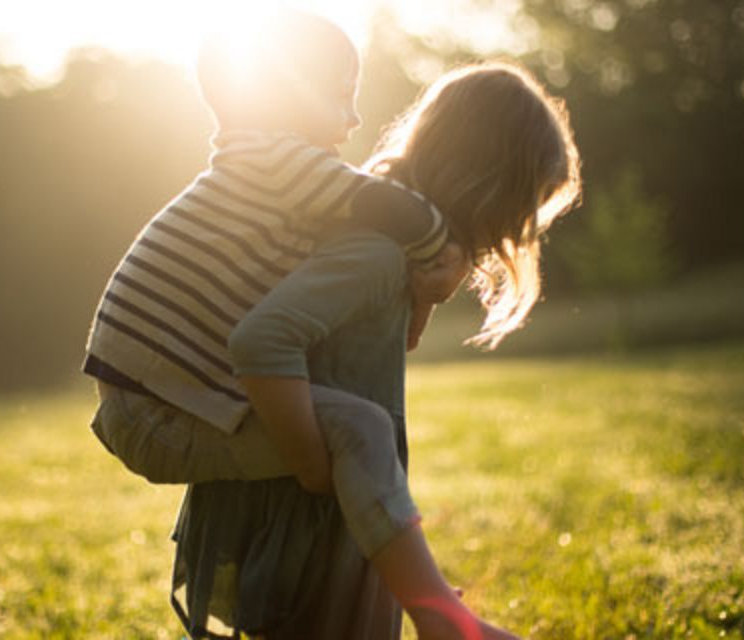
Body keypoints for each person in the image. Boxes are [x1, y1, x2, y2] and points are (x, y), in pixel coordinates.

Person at [83, 10, 514, 638]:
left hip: (151, 403)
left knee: (353, 431)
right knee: (359, 429)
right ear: (284, 95)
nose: (357, 121)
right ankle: (435, 614)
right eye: (343, 97)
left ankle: (413, 588)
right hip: (156, 411)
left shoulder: (261, 173)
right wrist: (440, 259)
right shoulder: (275, 161)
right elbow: (390, 207)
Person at [169, 61, 582, 639]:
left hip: (343, 504)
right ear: (484, 182)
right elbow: (265, 340)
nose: (516, 230)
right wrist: (315, 465)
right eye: (523, 204)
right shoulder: (376, 254)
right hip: (306, 505)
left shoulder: (394, 250)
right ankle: (446, 623)